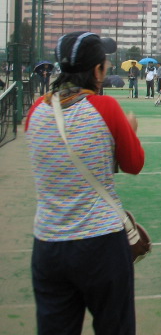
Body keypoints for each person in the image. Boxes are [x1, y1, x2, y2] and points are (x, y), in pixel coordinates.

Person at [25, 31, 145, 335]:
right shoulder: (106, 108)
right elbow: (133, 164)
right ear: (97, 70)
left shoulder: (36, 110)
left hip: (48, 242)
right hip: (100, 242)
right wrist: (130, 132)